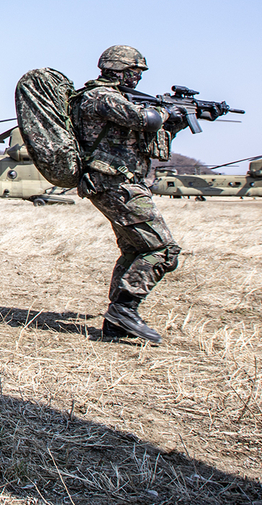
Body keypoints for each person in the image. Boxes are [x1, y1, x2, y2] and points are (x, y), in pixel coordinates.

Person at [71, 45, 186, 345]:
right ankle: (124, 310)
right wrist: (166, 111)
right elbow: (143, 119)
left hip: (122, 182)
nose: (138, 77)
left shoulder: (117, 98)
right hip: (115, 183)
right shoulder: (101, 97)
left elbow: (148, 132)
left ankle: (116, 321)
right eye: (135, 71)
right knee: (163, 249)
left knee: (137, 248)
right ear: (118, 69)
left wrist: (178, 119)